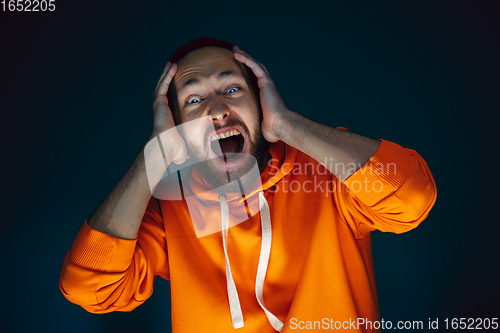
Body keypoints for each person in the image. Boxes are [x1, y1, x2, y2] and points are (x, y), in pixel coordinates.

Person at [59, 37, 437, 332]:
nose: (217, 109)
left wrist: (287, 125)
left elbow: (413, 198)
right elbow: (88, 288)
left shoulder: (328, 171)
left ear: (260, 103)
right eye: (194, 99)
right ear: (176, 126)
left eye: (233, 89)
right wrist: (155, 154)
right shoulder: (168, 213)